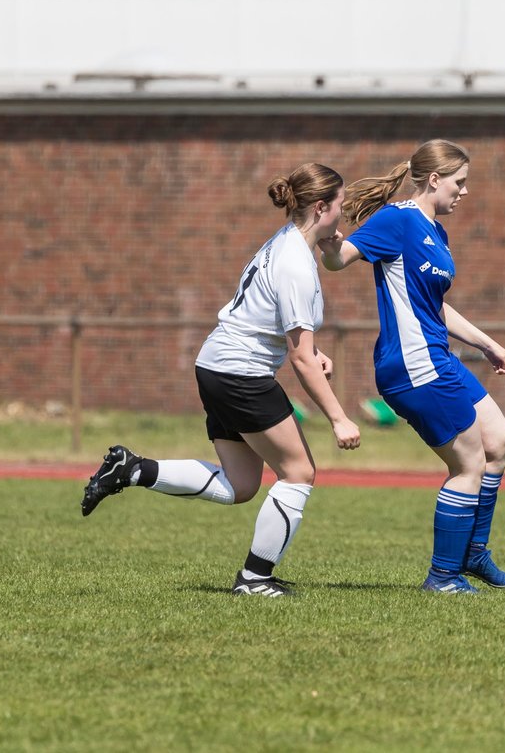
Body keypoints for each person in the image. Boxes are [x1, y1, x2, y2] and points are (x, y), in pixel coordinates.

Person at [81, 162, 361, 597]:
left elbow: (270, 321)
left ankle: (133, 469)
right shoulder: (295, 264)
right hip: (239, 374)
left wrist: (313, 350)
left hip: (218, 366)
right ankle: (254, 579)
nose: (343, 214)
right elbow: (301, 359)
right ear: (322, 206)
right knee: (299, 473)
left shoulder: (283, 245)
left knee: (242, 485)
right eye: (340, 205)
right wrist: (339, 418)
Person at [319, 139, 505, 594]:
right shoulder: (397, 220)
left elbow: (433, 307)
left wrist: (487, 344)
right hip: (412, 364)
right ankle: (443, 576)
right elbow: (339, 261)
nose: (464, 192)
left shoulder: (435, 231)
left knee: (501, 442)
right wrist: (330, 245)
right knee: (468, 463)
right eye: (459, 182)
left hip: (436, 356)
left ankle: (472, 553)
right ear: (434, 179)